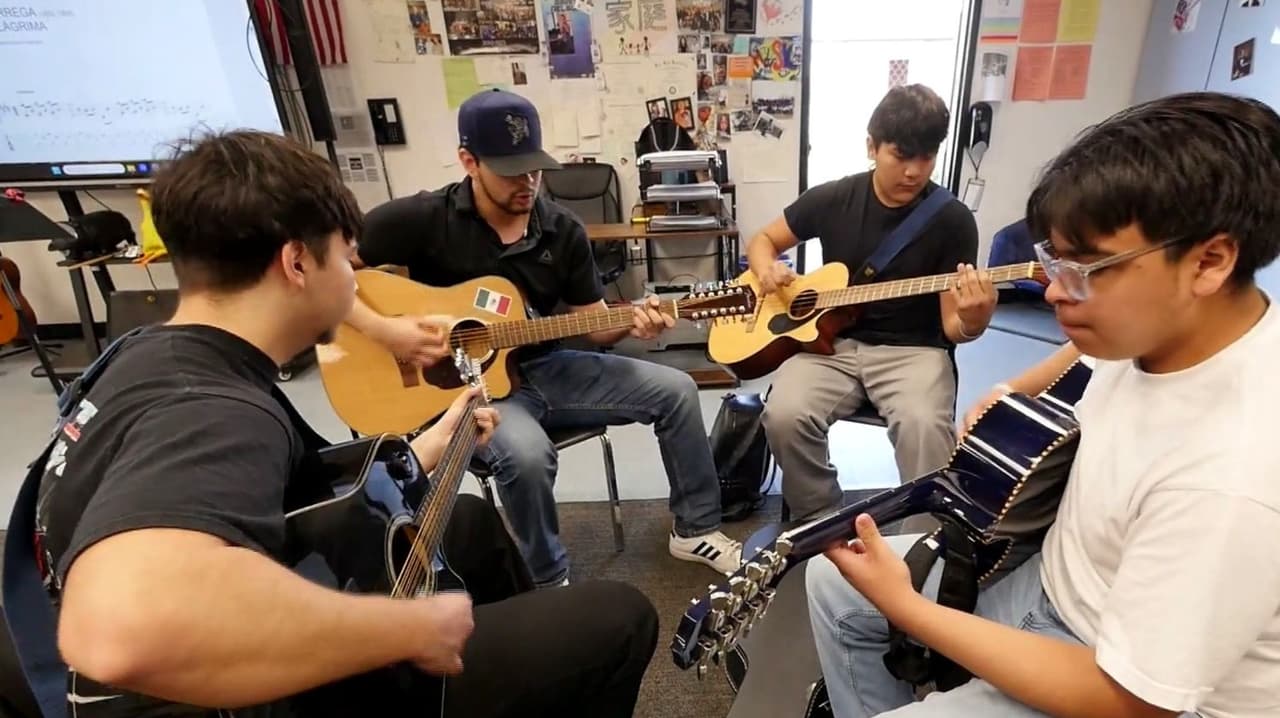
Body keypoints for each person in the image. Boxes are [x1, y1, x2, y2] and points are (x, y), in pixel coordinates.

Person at [34, 130, 658, 717]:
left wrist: (431, 444)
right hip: (265, 692)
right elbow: (117, 632)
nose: (358, 271)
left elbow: (298, 503)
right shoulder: (213, 409)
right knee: (622, 617)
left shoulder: (149, 353)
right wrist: (406, 629)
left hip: (266, 611)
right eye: (347, 255)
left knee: (466, 522)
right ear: (297, 263)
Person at [805, 91, 1280, 717]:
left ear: (1209, 261)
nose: (1054, 291)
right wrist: (1008, 395)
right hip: (1053, 579)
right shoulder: (1150, 327)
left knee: (879, 597)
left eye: (1083, 268)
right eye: (1052, 260)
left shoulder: (1235, 475)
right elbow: (1075, 366)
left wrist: (909, 608)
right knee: (831, 579)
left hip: (1112, 677)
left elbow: (1130, 700)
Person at [346, 88, 742, 588]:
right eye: (511, 170)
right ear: (470, 161)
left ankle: (695, 528)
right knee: (528, 455)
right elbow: (328, 270)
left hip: (549, 369)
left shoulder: (561, 229)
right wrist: (387, 330)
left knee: (677, 390)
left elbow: (594, 323)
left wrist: (638, 318)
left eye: (534, 168)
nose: (528, 182)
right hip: (465, 390)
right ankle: (550, 580)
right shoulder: (421, 219)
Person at [748, 84, 996, 522]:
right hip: (833, 346)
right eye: (901, 156)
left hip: (915, 352)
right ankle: (821, 522)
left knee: (924, 427)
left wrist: (974, 320)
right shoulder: (834, 198)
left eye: (926, 158)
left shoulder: (952, 220)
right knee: (783, 414)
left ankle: (920, 546)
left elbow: (953, 327)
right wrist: (767, 268)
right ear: (872, 146)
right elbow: (763, 240)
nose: (913, 172)